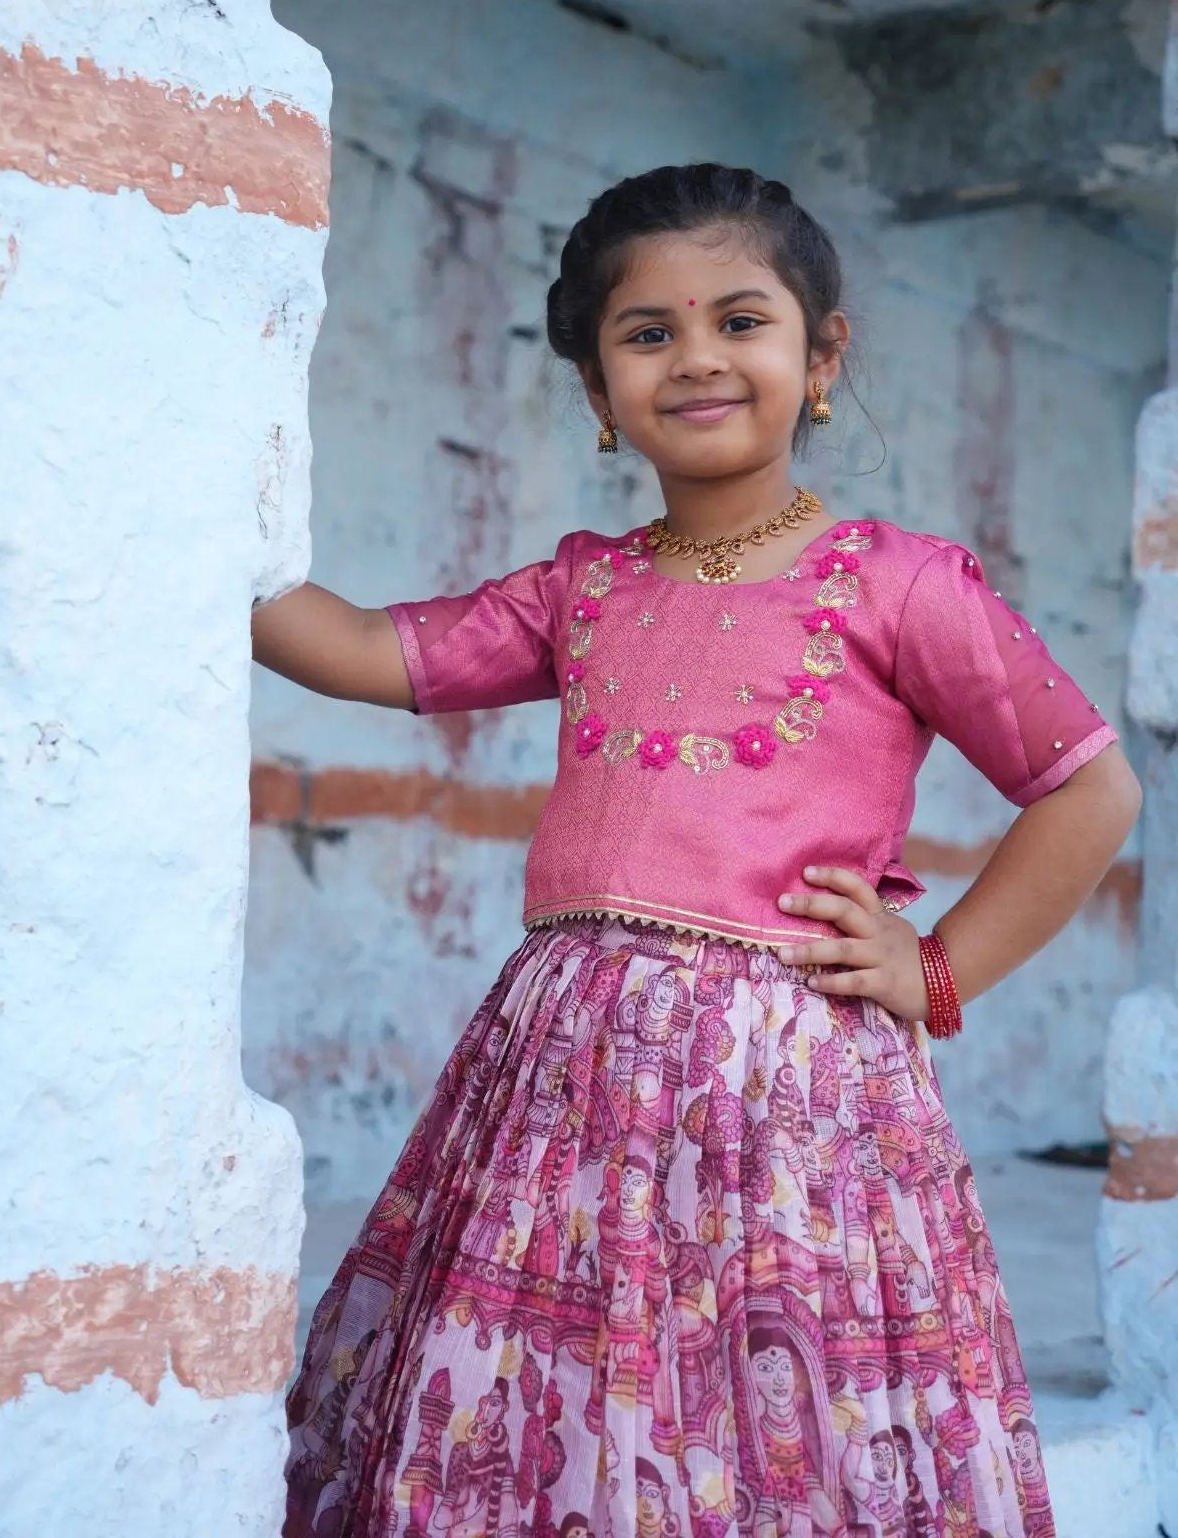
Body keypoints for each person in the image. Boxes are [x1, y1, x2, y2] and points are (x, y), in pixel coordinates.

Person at [256, 164, 1141, 1537]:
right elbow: (372, 650)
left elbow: (1088, 790)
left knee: (766, 1401)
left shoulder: (904, 583)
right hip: (565, 1087)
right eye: (648, 334)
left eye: (741, 319)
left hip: (792, 1096)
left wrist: (939, 965)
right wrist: (188, 530)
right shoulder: (580, 588)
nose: (697, 359)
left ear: (821, 352)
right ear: (599, 390)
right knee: (558, 1403)